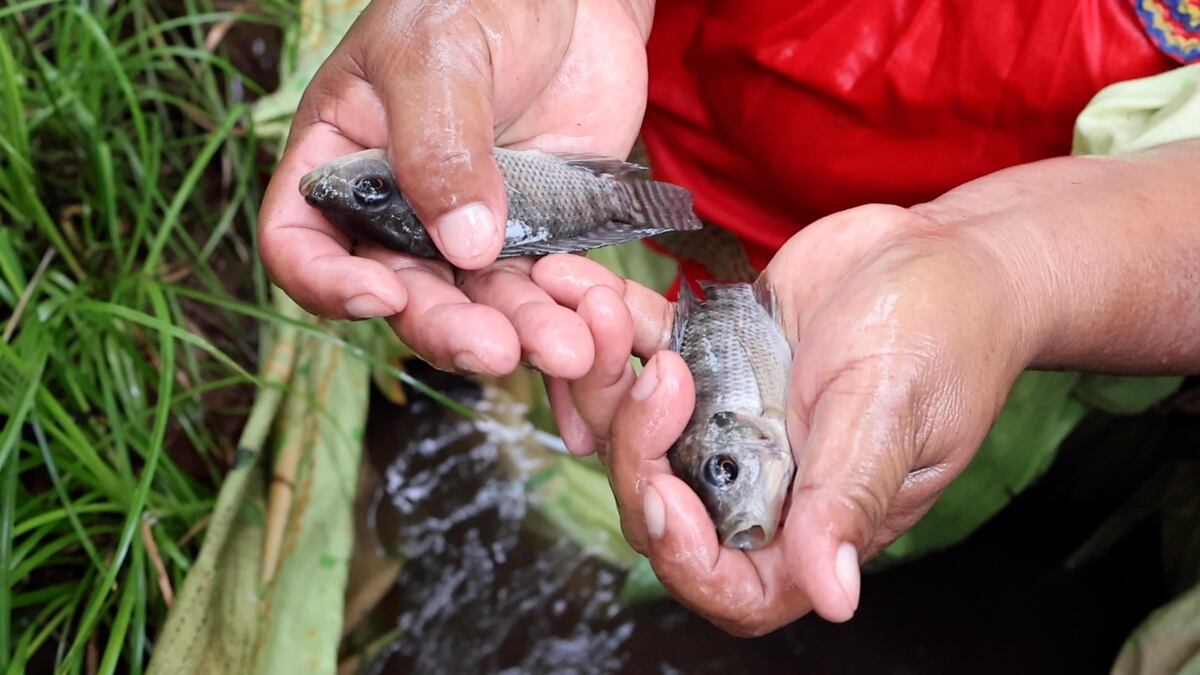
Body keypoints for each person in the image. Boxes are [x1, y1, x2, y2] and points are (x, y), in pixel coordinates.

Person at [258, 0, 1200, 636]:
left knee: (807, 494)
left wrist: (1011, 275)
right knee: (576, 406)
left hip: (976, 321)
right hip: (637, 153)